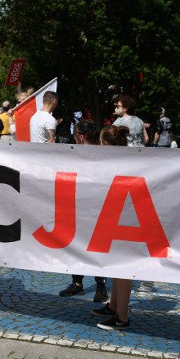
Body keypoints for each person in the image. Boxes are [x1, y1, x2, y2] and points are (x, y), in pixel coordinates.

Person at [58, 119, 107, 302]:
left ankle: (98, 285)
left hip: (89, 206)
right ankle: (80, 283)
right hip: (85, 206)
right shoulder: (103, 153)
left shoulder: (81, 154)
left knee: (91, 245)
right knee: (83, 244)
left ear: (80, 136)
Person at [91, 125, 133, 331]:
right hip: (119, 217)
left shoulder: (113, 161)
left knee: (123, 268)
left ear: (106, 143)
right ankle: (114, 306)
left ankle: (122, 318)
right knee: (117, 266)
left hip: (123, 219)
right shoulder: (127, 158)